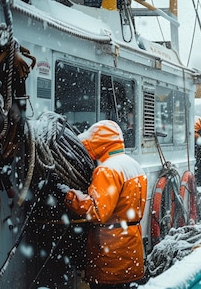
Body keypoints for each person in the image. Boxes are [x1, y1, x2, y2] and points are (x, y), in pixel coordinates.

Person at [63, 120, 147, 289]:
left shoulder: (107, 170)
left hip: (111, 257)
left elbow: (96, 211)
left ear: (99, 143)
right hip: (131, 250)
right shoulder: (133, 165)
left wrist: (67, 194)